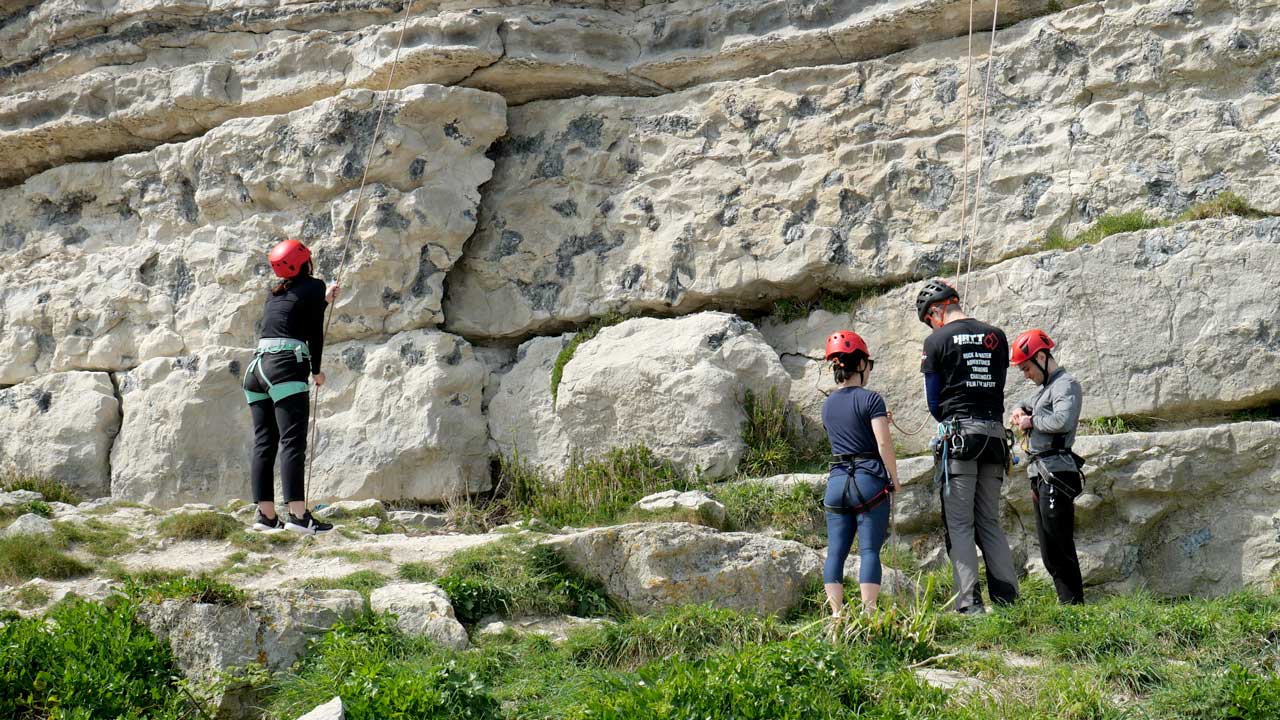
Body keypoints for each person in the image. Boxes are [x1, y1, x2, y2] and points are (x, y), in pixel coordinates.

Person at [916, 279, 1019, 613]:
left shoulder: (936, 340)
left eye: (929, 318)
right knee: (989, 521)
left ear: (936, 311)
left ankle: (969, 605)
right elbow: (998, 383)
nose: (931, 324)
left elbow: (934, 401)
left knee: (960, 524)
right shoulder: (997, 336)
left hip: (960, 437)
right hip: (994, 438)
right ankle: (1008, 602)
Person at [242, 238, 339, 535]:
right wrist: (317, 370)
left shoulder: (275, 293)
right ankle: (298, 516)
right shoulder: (314, 285)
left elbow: (297, 317)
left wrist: (324, 301)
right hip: (284, 367)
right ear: (305, 262)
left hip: (256, 369)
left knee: (264, 442)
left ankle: (266, 516)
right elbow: (313, 332)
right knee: (292, 442)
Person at [820, 330, 900, 620]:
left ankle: (836, 617)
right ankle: (868, 617)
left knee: (835, 553)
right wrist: (894, 477)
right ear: (862, 365)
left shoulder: (827, 404)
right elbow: (882, 443)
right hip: (868, 481)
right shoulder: (872, 399)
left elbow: (845, 434)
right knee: (869, 551)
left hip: (837, 482)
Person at [1009, 329, 1086, 605]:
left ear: (1042, 356)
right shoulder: (1045, 391)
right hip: (1040, 473)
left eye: (1027, 368)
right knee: (1048, 549)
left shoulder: (1066, 384)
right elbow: (1025, 403)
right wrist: (1019, 409)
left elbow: (1063, 421)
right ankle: (1067, 604)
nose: (1027, 374)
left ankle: (1074, 607)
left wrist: (1031, 422)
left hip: (1057, 472)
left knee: (1059, 544)